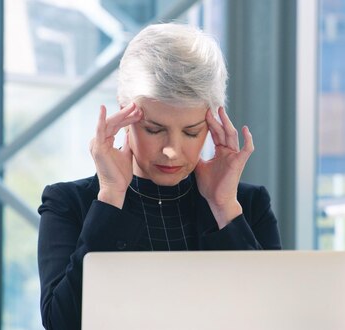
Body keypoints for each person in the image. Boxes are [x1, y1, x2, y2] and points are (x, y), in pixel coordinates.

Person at [37, 23, 281, 330]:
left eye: (191, 132)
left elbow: (272, 317)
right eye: (154, 129)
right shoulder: (69, 204)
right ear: (124, 115)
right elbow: (62, 323)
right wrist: (111, 196)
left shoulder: (247, 204)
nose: (171, 151)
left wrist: (223, 207)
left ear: (213, 123)